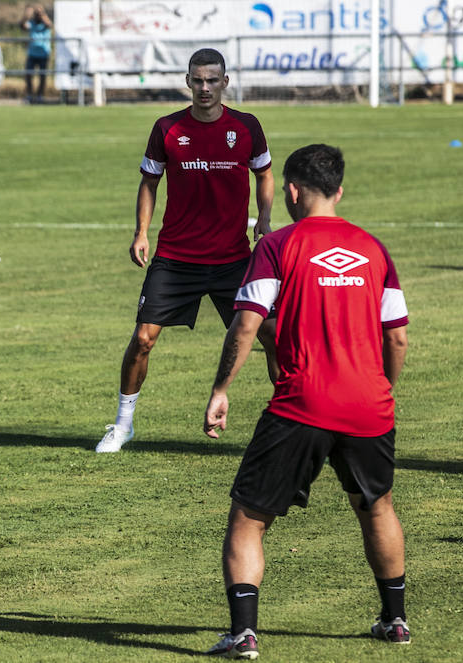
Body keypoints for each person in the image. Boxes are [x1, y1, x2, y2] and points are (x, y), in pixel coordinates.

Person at [202, 144, 411, 658]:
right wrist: (379, 389)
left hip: (301, 404)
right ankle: (396, 622)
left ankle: (244, 635)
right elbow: (398, 338)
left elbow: (247, 324)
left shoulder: (277, 246)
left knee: (249, 518)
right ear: (340, 190)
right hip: (368, 406)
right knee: (376, 507)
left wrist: (221, 389)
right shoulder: (374, 249)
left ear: (291, 191)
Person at [96, 47, 275, 453]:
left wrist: (264, 218)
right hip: (176, 258)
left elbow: (264, 173)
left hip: (233, 259)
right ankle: (123, 426)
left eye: (213, 80)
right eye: (198, 80)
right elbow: (149, 182)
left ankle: (289, 425)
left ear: (225, 82)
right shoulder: (167, 128)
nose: (205, 88)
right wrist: (141, 232)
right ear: (188, 82)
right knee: (143, 338)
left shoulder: (247, 127)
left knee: (270, 333)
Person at [22, 5, 54, 103]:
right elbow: (22, 26)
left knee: (42, 76)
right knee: (28, 75)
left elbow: (49, 24)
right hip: (32, 54)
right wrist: (27, 15)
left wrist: (42, 13)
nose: (37, 15)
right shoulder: (31, 22)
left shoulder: (45, 23)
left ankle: (40, 95)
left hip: (43, 54)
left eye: (38, 14)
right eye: (36, 14)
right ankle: (30, 95)